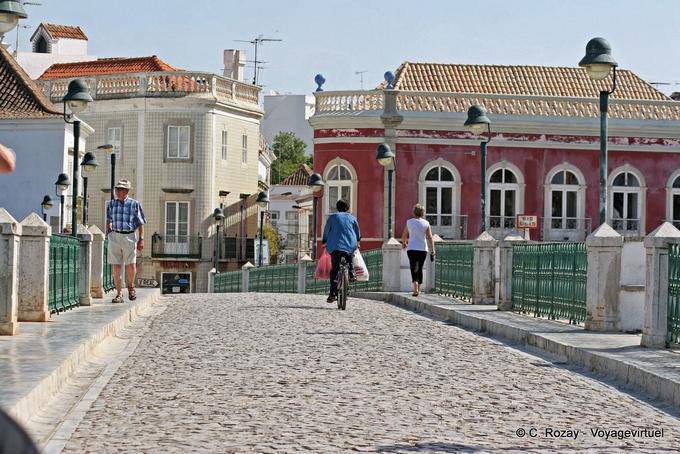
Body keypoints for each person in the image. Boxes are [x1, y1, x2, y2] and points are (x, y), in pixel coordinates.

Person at [106, 179, 146, 304]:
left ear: (127, 191)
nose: (117, 191)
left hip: (129, 236)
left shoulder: (134, 204)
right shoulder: (112, 204)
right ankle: (119, 294)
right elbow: (109, 218)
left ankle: (131, 286)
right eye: (117, 189)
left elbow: (141, 222)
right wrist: (108, 231)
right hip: (115, 236)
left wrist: (141, 239)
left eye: (120, 189)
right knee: (116, 266)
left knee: (131, 264)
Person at [322, 199, 361, 303]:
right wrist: (358, 241)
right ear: (347, 208)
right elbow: (357, 233)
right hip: (350, 244)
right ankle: (352, 272)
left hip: (335, 246)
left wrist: (324, 240)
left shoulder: (333, 217)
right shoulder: (352, 218)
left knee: (335, 269)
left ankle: (332, 294)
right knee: (350, 254)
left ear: (337, 208)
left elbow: (326, 231)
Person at [401, 203, 435, 296]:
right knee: (420, 267)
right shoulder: (426, 223)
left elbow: (404, 235)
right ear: (423, 213)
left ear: (414, 212)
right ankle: (419, 289)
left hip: (412, 248)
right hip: (423, 248)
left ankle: (415, 288)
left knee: (413, 267)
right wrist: (433, 250)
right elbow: (430, 237)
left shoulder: (409, 222)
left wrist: (404, 243)